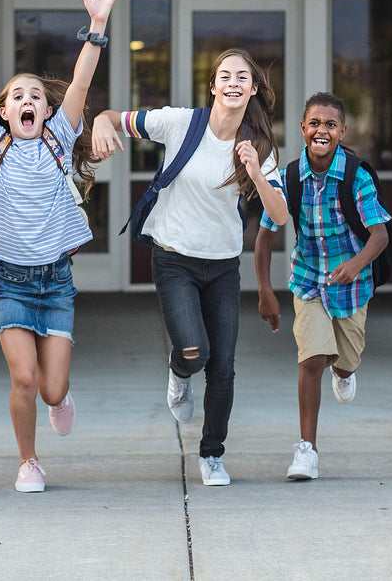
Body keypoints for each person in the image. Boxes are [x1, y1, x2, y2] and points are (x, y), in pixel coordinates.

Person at [0, 0, 120, 493]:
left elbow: (83, 83)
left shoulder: (58, 140)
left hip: (56, 284)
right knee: (23, 379)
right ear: (4, 113)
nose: (27, 101)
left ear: (47, 111)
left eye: (36, 97)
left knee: (51, 390)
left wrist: (97, 27)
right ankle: (29, 462)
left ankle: (60, 400)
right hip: (10, 284)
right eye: (17, 97)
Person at [91, 49, 289, 487]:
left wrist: (256, 174)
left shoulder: (256, 146)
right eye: (225, 76)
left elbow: (280, 214)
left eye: (243, 77)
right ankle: (179, 372)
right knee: (194, 353)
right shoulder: (182, 123)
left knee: (223, 368)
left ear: (253, 88)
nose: (233, 83)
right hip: (174, 258)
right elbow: (113, 117)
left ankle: (212, 455)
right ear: (214, 86)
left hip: (222, 266)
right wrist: (102, 123)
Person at [253, 92, 391, 481]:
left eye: (330, 125)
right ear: (302, 128)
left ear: (342, 131)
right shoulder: (288, 177)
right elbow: (265, 237)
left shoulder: (356, 175)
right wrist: (265, 291)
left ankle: (345, 373)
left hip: (352, 283)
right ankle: (307, 450)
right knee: (312, 359)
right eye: (315, 123)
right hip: (309, 279)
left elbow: (379, 236)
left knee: (345, 360)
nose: (322, 130)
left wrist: (355, 264)